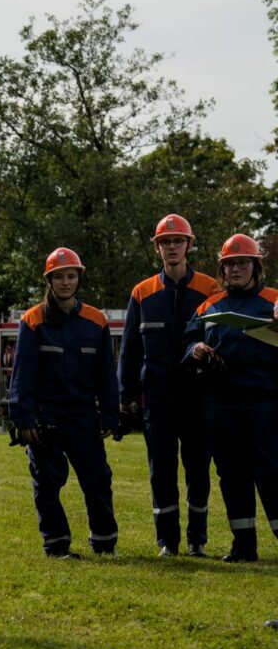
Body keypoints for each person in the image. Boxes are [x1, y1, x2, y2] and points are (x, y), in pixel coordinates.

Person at [118, 213, 220, 557]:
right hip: (157, 399)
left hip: (198, 397)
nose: (172, 247)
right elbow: (130, 350)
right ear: (157, 248)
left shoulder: (210, 288)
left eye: (178, 241)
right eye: (165, 242)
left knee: (198, 472)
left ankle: (197, 540)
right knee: (160, 472)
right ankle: (168, 542)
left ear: (189, 245)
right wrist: (125, 395)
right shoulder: (142, 292)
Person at [7, 248, 120, 558]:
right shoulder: (33, 320)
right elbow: (23, 374)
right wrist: (24, 418)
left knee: (97, 479)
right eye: (59, 277)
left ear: (79, 279)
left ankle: (104, 542)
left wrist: (111, 414)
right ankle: (56, 545)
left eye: (71, 276)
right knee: (47, 483)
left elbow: (106, 375)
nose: (66, 282)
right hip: (46, 417)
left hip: (84, 416)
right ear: (50, 280)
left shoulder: (96, 321)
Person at [182, 234, 278, 562]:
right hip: (222, 404)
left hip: (266, 403)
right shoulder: (209, 307)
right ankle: (243, 546)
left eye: (242, 262)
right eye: (229, 264)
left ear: (256, 266)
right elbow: (187, 343)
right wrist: (195, 349)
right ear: (222, 270)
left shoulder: (274, 301)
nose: (235, 268)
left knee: (271, 473)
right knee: (232, 474)